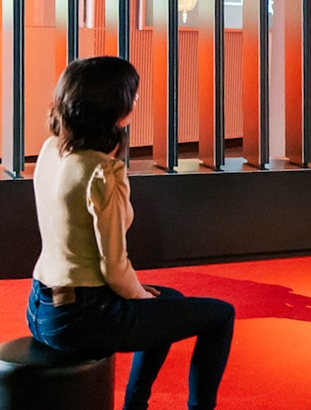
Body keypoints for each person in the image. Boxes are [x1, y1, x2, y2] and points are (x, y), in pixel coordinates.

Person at [28, 56, 234, 410]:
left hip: (40, 306)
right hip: (82, 317)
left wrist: (140, 294)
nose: (136, 102)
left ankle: (136, 403)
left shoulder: (52, 149)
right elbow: (114, 264)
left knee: (168, 300)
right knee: (221, 314)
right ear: (112, 107)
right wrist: (138, 294)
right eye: (132, 95)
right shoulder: (101, 172)